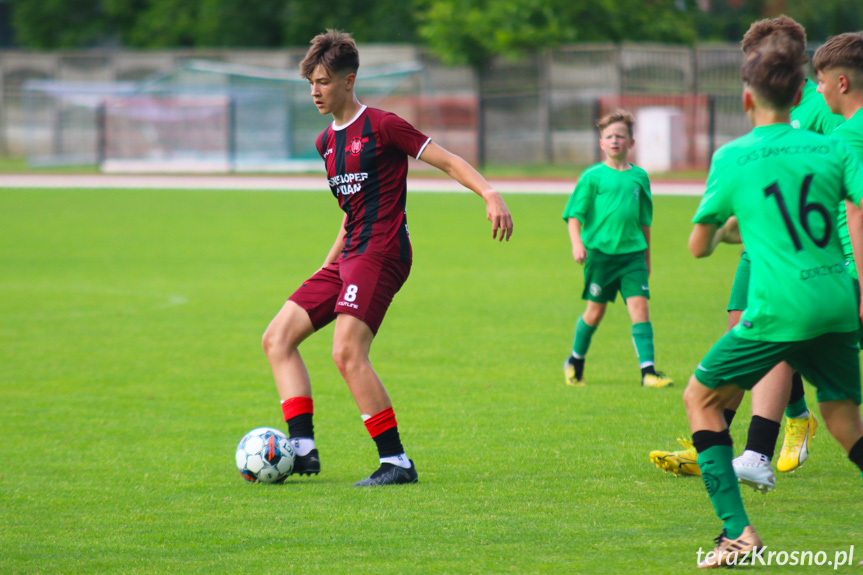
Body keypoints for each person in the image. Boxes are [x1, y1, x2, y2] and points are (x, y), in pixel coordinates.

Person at [261, 29, 513, 487]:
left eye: (322, 81)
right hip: (349, 253)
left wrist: (489, 192)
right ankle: (301, 450)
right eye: (310, 83)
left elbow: (449, 160)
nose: (315, 91)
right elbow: (350, 212)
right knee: (277, 337)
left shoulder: (383, 125)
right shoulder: (326, 144)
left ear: (348, 81)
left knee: (346, 351)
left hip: (382, 250)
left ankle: (396, 462)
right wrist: (325, 265)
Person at [684, 34, 863, 568]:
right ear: (800, 95)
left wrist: (727, 232)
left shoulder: (733, 156)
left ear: (746, 98)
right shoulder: (832, 144)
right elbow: (851, 208)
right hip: (835, 299)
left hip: (781, 308)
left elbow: (698, 245)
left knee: (701, 398)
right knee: (843, 419)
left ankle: (737, 533)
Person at [649, 16, 845, 486]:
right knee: (742, 329)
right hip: (758, 243)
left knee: (770, 333)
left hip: (798, 251)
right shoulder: (767, 100)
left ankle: (752, 451)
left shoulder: (819, 104)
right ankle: (737, 436)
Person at [562, 110, 673, 388]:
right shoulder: (593, 177)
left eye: (620, 136)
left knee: (640, 309)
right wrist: (577, 244)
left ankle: (648, 372)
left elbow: (644, 221)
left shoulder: (640, 178)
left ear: (631, 143)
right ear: (601, 143)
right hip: (600, 256)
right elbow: (575, 216)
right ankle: (575, 361)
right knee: (595, 312)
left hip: (632, 256)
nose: (615, 140)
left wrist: (647, 258)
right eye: (609, 136)